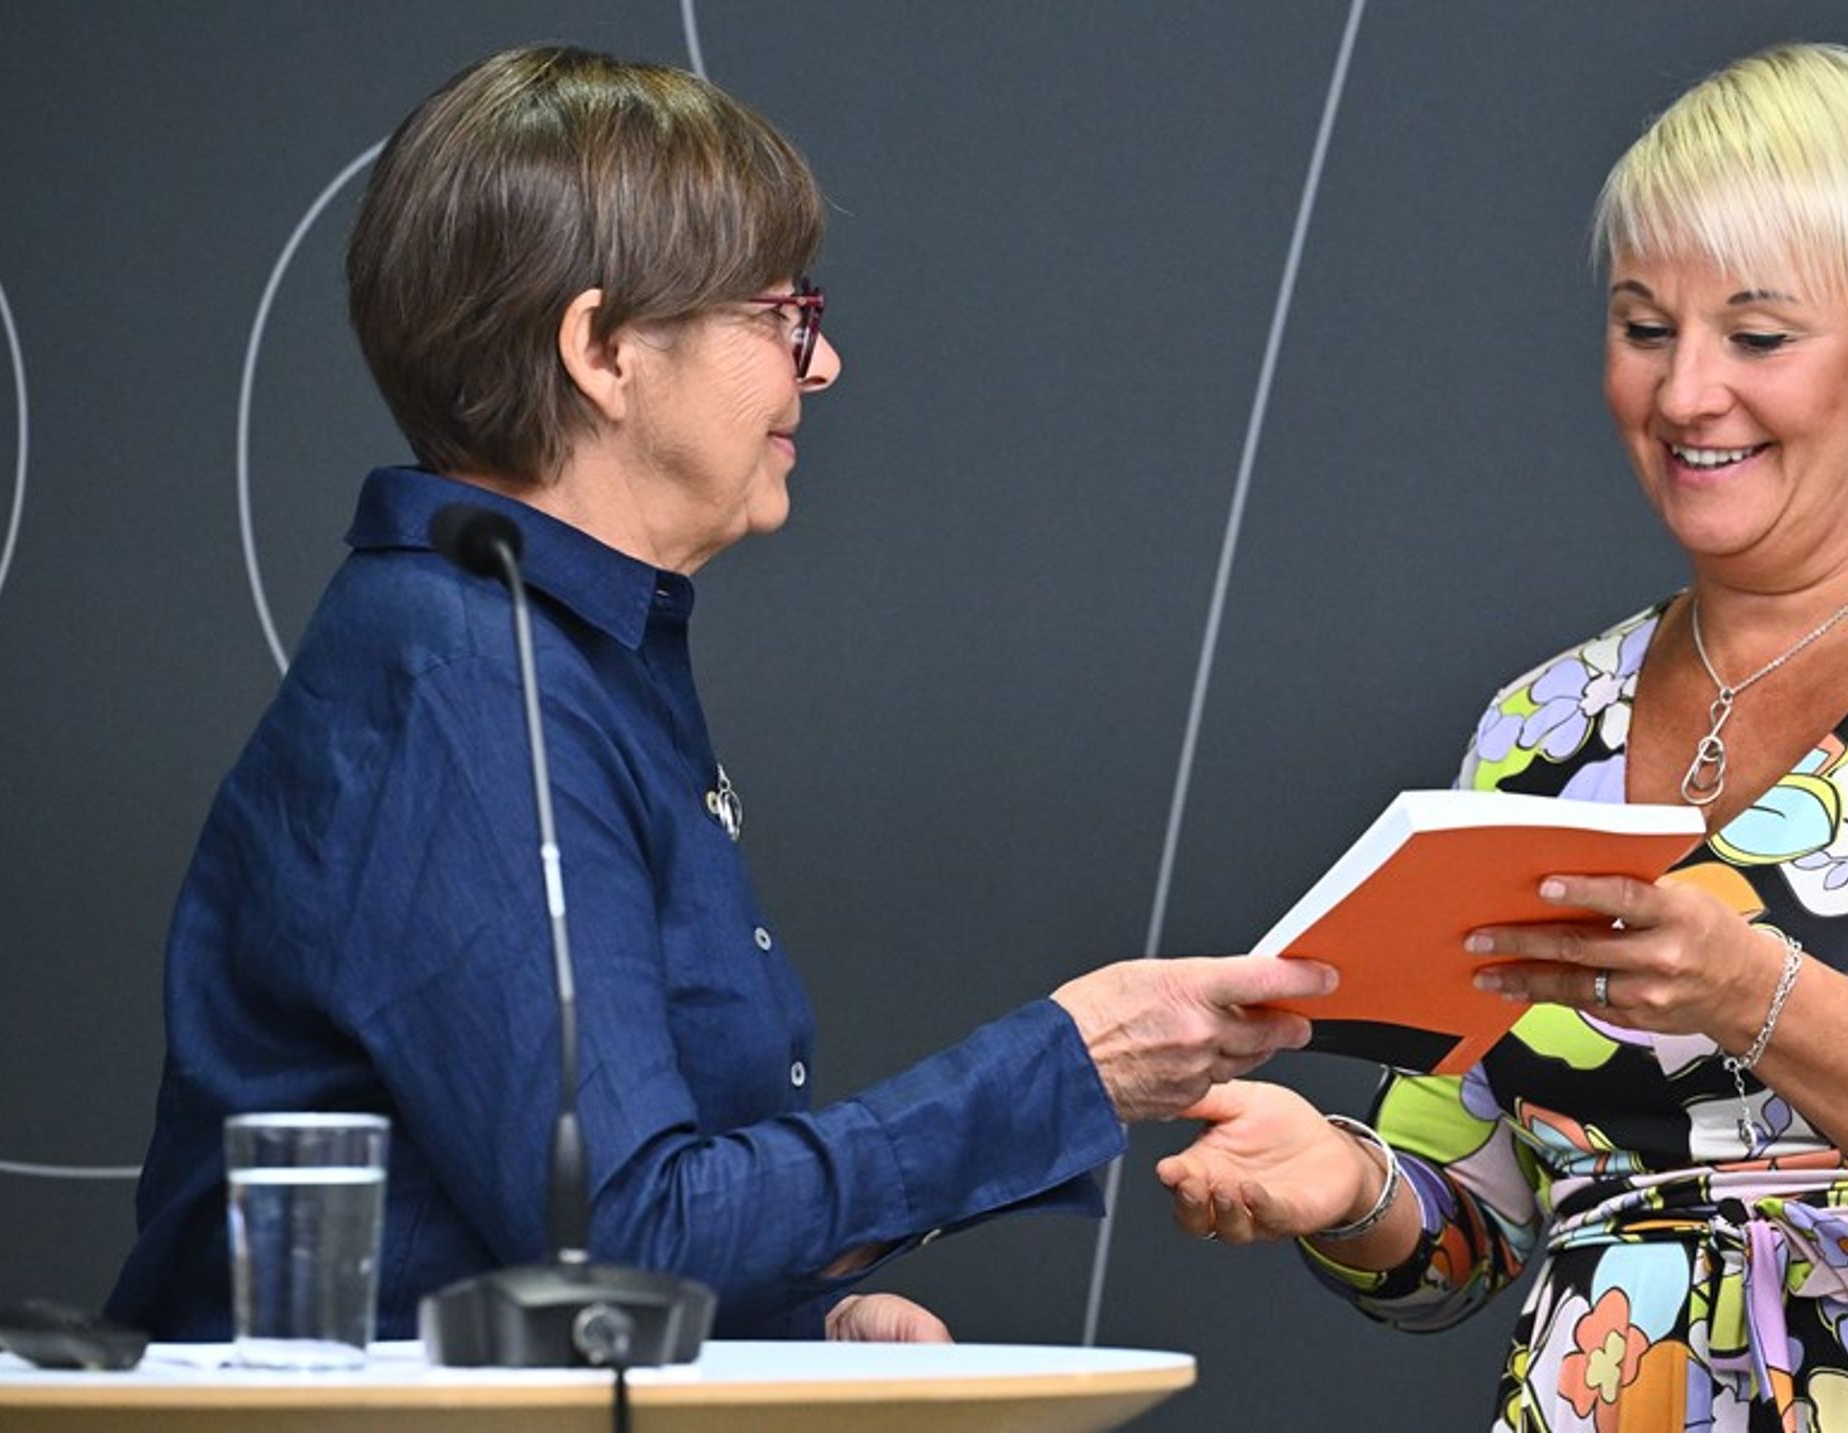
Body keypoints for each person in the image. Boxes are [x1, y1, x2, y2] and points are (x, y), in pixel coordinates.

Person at [107, 45, 1333, 1345]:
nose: (822, 366)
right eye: (778, 316)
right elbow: (623, 1233)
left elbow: (555, 1214)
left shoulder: (550, 650)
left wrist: (814, 1315)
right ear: (605, 349)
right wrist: (1067, 1066)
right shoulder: (467, 681)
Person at [1159, 42, 1848, 1431]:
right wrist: (1343, 1184)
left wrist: (1754, 990)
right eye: (1643, 326)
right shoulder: (1541, 726)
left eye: (1758, 334)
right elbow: (1468, 1240)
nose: (1685, 396)